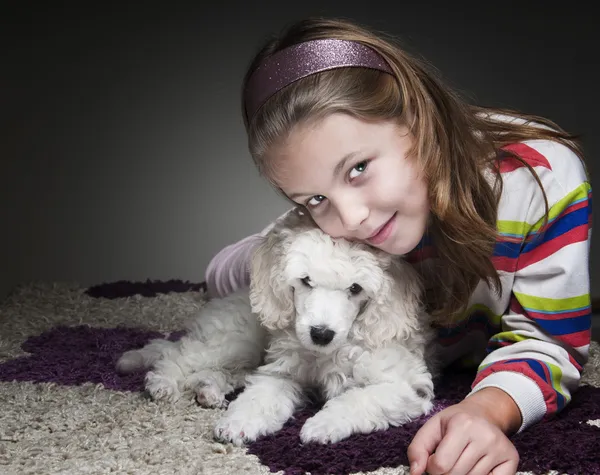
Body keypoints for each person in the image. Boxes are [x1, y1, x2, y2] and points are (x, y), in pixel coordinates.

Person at [204, 17, 592, 475]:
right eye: (314, 198)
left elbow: (548, 338)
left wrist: (488, 409)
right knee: (228, 272)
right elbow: (226, 278)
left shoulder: (538, 178)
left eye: (358, 168)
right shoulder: (331, 227)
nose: (351, 219)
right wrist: (270, 259)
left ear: (417, 117)